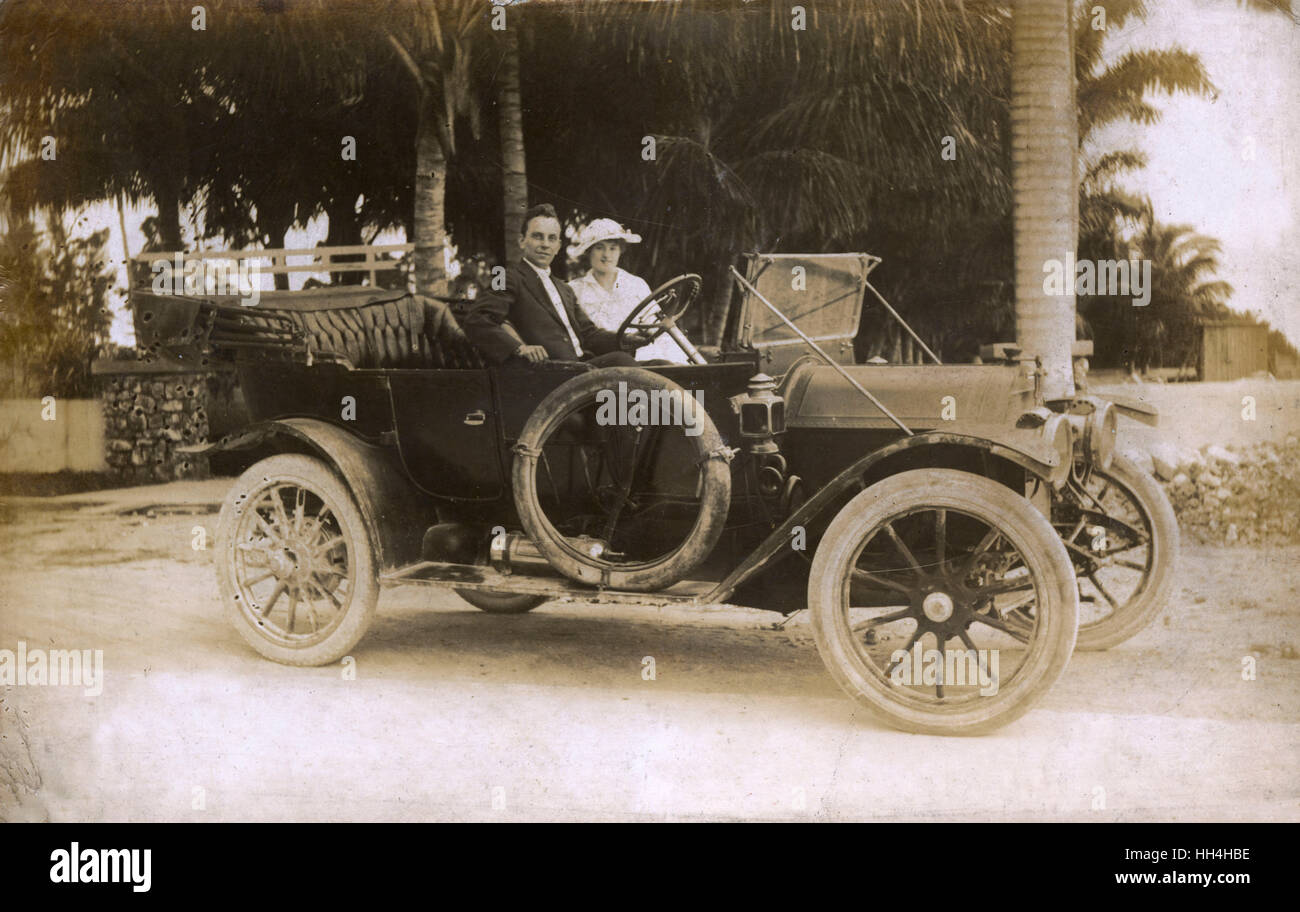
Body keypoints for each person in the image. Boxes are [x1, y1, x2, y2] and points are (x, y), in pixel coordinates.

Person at [462, 204, 644, 368]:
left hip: (580, 366)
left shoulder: (564, 288)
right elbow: (477, 319)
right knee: (621, 362)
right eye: (537, 237)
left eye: (551, 239)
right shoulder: (502, 274)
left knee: (661, 366)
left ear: (558, 246)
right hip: (549, 372)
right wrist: (519, 348)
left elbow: (589, 334)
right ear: (521, 240)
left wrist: (625, 339)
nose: (545, 245)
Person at [568, 218, 688, 364]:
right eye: (599, 248)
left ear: (620, 251)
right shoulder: (574, 290)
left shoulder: (636, 284)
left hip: (642, 356)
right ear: (588, 252)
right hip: (604, 363)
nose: (606, 255)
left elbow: (655, 323)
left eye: (613, 248)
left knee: (669, 367)